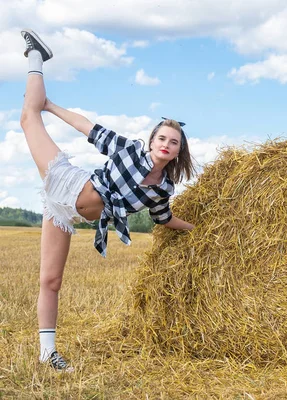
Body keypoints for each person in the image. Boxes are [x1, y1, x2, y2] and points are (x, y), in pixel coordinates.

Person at [19, 29, 196, 371]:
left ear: (177, 152)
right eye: (161, 137)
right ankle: (36, 56)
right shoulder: (128, 150)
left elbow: (164, 219)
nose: (165, 144)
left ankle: (47, 352)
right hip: (68, 183)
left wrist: (197, 228)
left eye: (173, 142)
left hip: (63, 212)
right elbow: (89, 128)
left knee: (51, 281)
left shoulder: (162, 189)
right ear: (151, 140)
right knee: (30, 117)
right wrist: (51, 106)